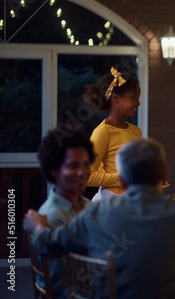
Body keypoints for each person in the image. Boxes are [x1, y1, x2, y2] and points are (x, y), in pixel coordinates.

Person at [23, 138, 175, 299]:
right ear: (164, 172)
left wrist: (39, 226)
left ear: (121, 180)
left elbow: (47, 244)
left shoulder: (95, 213)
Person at [35, 124, 95, 298]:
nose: (82, 172)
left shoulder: (88, 205)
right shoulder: (52, 217)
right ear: (54, 169)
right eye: (73, 166)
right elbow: (59, 288)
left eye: (85, 164)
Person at [84, 67, 142, 201]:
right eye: (133, 98)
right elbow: (88, 175)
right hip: (109, 202)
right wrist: (123, 178)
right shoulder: (102, 132)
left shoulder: (136, 131)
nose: (138, 103)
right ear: (115, 98)